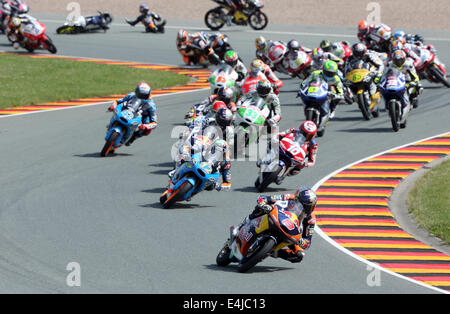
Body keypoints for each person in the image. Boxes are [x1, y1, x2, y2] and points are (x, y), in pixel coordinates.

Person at [234, 187, 318, 263]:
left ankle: (272, 252)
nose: (306, 209)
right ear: (296, 199)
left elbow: (307, 243)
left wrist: (301, 241)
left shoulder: (311, 219)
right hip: (275, 217)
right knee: (260, 208)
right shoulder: (288, 197)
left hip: (291, 233)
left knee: (299, 255)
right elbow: (264, 198)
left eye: (309, 207)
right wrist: (264, 204)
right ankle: (243, 224)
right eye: (303, 205)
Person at [170, 127, 232, 192]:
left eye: (220, 152)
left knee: (210, 187)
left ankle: (192, 193)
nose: (217, 153)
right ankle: (175, 170)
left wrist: (219, 186)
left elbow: (227, 183)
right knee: (182, 157)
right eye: (215, 149)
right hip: (196, 164)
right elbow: (189, 148)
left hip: (208, 177)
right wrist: (185, 153)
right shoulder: (205, 147)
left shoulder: (226, 163)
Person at [344, 43, 384, 116]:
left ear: (363, 51)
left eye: (359, 52)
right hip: (357, 74)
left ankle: (378, 92)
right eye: (356, 52)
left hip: (370, 72)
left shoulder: (369, 55)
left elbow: (380, 64)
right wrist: (346, 76)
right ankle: (353, 97)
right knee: (348, 85)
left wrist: (378, 73)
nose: (358, 54)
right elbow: (346, 69)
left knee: (378, 81)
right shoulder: (350, 58)